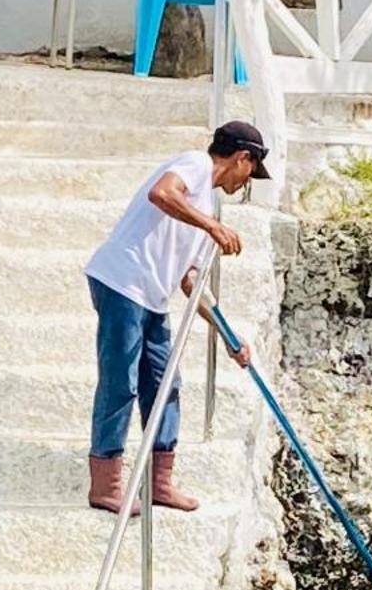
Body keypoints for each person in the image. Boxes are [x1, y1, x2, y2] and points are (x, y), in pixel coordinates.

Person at [82, 120, 268, 514]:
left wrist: (230, 338)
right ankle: (106, 485)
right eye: (252, 170)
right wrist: (212, 226)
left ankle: (159, 482)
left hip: (152, 297)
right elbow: (160, 193)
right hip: (121, 281)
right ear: (241, 158)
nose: (247, 180)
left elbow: (191, 283)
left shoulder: (207, 205)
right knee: (121, 383)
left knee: (166, 383)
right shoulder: (195, 165)